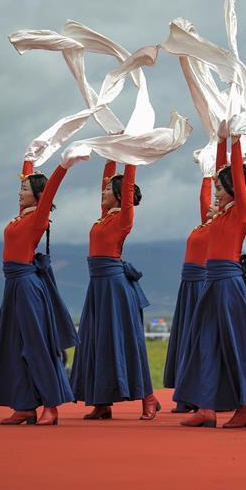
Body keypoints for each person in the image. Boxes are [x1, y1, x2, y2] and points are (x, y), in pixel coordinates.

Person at [0, 153, 82, 426]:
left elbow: (50, 188)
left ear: (38, 195)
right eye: (20, 188)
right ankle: (25, 406)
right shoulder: (22, 217)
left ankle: (51, 406)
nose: (19, 193)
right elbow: (28, 178)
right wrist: (29, 157)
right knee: (12, 346)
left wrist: (63, 166)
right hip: (13, 286)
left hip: (28, 287)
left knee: (35, 347)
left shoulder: (37, 219)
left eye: (24, 189)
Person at [174, 131, 246, 429]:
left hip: (230, 285)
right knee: (205, 343)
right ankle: (206, 408)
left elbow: (233, 173)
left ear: (234, 188)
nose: (216, 193)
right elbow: (217, 178)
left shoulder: (241, 213)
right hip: (211, 283)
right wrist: (220, 138)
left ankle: (245, 408)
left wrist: (234, 141)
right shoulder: (217, 216)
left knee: (236, 345)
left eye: (220, 188)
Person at [70, 159, 159, 421]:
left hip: (115, 288)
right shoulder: (103, 217)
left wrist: (130, 158)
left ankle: (149, 398)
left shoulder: (123, 218)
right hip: (97, 287)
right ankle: (101, 401)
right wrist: (111, 151)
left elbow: (127, 186)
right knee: (96, 341)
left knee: (127, 341)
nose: (103, 192)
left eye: (108, 190)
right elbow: (107, 179)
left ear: (121, 195)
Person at [163, 141, 227, 414]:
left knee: (199, 340)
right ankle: (187, 394)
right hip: (188, 286)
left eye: (220, 193)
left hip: (203, 284)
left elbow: (225, 186)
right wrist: (206, 172)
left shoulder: (225, 222)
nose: (214, 199)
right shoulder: (207, 223)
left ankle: (202, 395)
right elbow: (204, 198)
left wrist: (223, 146)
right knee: (186, 340)